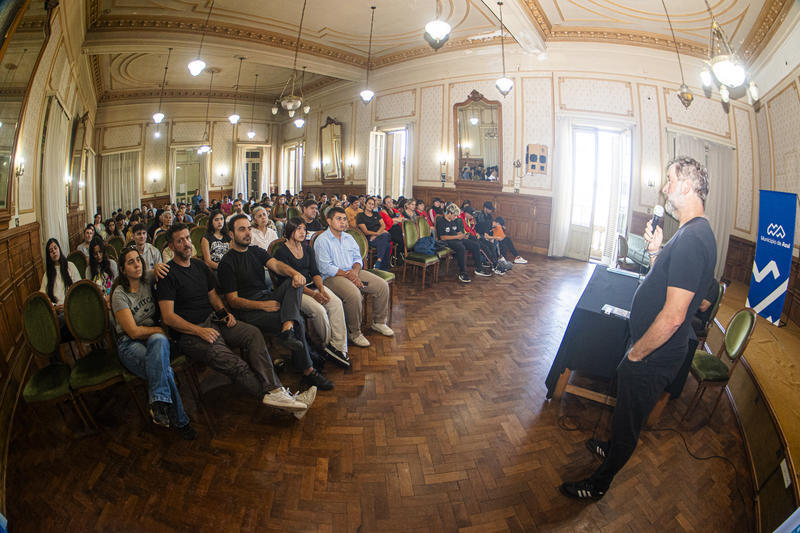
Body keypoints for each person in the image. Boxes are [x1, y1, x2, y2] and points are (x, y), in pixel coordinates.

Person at [560, 156, 717, 501]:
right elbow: (673, 286)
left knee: (629, 421)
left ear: (686, 186)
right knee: (624, 415)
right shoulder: (692, 232)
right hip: (651, 348)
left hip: (654, 354)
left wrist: (636, 353)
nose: (665, 187)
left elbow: (675, 315)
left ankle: (598, 484)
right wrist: (656, 251)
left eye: (670, 180)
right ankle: (611, 446)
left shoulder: (693, 239)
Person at [156, 223, 314, 416]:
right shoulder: (167, 274)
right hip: (190, 333)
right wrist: (199, 331)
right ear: (171, 246)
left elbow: (213, 297)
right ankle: (284, 404)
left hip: (214, 320)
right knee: (236, 364)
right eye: (180, 241)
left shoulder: (199, 266)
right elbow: (168, 317)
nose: (187, 243)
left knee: (253, 334)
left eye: (188, 238)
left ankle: (277, 392)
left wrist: (224, 313)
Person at [217, 215, 333, 390]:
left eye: (249, 228)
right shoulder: (227, 263)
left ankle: (288, 329)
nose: (247, 233)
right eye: (242, 229)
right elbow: (233, 301)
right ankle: (308, 370)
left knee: (293, 281)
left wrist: (295, 274)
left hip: (267, 296)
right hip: (249, 310)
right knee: (298, 319)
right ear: (231, 234)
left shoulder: (256, 251)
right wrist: (263, 306)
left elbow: (278, 266)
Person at [111, 246, 196, 439]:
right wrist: (159, 330)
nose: (136, 265)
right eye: (130, 262)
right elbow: (133, 332)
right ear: (123, 270)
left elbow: (161, 269)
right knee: (165, 370)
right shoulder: (119, 294)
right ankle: (180, 421)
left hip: (154, 341)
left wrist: (157, 267)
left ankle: (159, 406)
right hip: (129, 343)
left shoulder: (147, 279)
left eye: (138, 260)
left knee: (158, 342)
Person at [274, 218, 349, 367]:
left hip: (313, 285)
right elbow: (289, 281)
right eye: (298, 229)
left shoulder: (307, 248)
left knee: (335, 302)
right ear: (290, 231)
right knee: (319, 310)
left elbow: (315, 272)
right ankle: (328, 345)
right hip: (295, 291)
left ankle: (339, 347)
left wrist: (321, 289)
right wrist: (314, 294)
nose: (302, 232)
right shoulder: (281, 251)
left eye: (304, 229)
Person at [314, 207, 393, 348]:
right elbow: (325, 267)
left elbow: (358, 258)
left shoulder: (349, 237)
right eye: (339, 219)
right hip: (332, 277)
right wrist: (349, 276)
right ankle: (355, 332)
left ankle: (379, 322)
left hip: (353, 272)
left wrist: (355, 273)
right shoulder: (322, 240)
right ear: (329, 221)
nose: (343, 222)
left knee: (382, 286)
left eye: (345, 219)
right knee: (354, 294)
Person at [436, 203, 492, 283]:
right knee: (461, 247)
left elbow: (458, 232)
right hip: (446, 242)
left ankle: (479, 268)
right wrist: (457, 237)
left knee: (475, 245)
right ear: (449, 213)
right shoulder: (441, 221)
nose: (455, 217)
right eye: (454, 215)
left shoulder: (453, 221)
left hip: (456, 239)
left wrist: (463, 235)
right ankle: (463, 273)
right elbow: (442, 237)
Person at [41, 238, 81, 338]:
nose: (54, 252)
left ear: (59, 249)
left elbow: (79, 289)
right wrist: (54, 307)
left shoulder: (70, 266)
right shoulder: (47, 274)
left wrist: (69, 304)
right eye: (51, 251)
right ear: (49, 255)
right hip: (57, 312)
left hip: (72, 308)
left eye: (55, 248)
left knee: (55, 325)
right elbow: (42, 296)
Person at [356, 196, 391, 271]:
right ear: (365, 204)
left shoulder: (376, 214)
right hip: (368, 238)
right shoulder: (360, 216)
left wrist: (376, 234)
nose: (371, 206)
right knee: (387, 244)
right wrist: (378, 234)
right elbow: (365, 231)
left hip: (377, 236)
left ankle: (379, 260)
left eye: (372, 204)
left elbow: (383, 225)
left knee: (386, 236)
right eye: (369, 203)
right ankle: (383, 268)